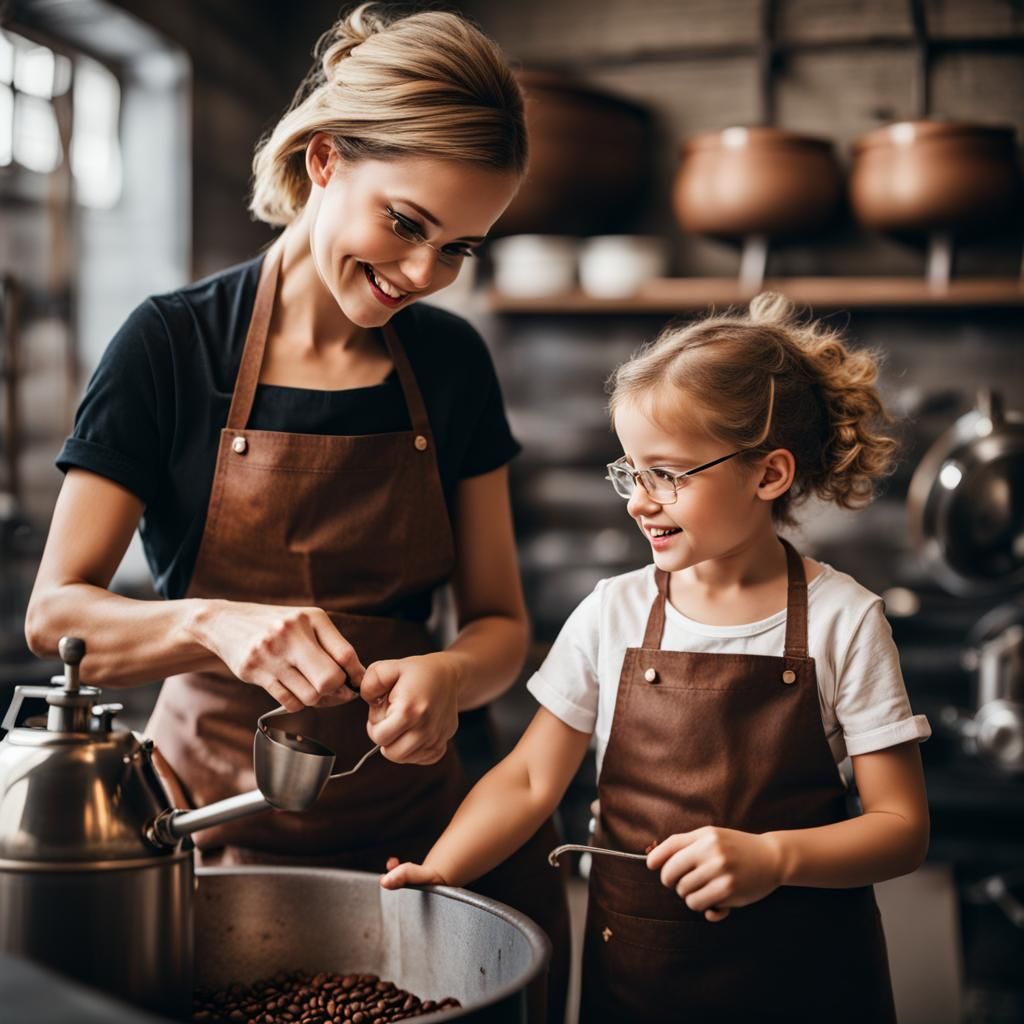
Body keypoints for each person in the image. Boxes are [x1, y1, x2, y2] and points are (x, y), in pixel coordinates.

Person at [25, 5, 569, 1021]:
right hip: (216, 840)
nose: (423, 276)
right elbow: (56, 620)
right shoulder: (171, 347)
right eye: (405, 223)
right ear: (324, 162)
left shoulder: (452, 365)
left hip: (427, 844)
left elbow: (501, 625)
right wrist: (212, 624)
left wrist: (451, 676)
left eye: (459, 248)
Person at [381, 293, 932, 1023]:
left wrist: (774, 859)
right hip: (638, 980)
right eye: (631, 472)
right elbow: (529, 778)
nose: (639, 501)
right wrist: (443, 869)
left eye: (668, 474)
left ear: (769, 475)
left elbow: (901, 828)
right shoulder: (612, 612)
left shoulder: (845, 621)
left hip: (808, 983)